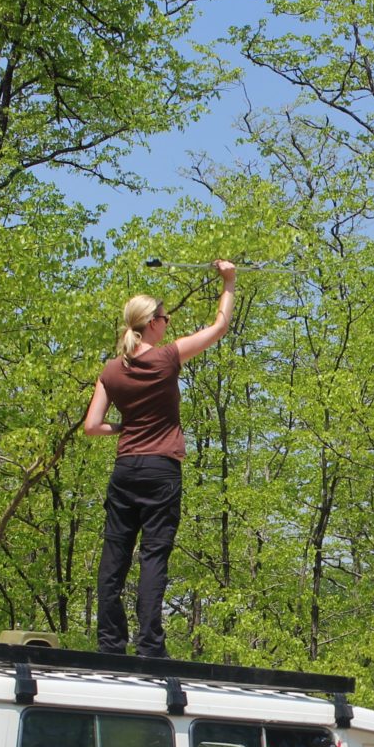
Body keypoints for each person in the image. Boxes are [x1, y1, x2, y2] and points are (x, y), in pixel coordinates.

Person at [82, 260, 236, 656]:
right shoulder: (167, 359)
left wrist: (124, 429)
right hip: (161, 469)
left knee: (114, 555)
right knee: (153, 556)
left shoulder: (112, 370)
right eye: (165, 318)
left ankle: (110, 644)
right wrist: (229, 282)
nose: (168, 324)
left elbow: (92, 426)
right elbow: (219, 328)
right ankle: (150, 644)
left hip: (126, 468)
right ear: (152, 322)